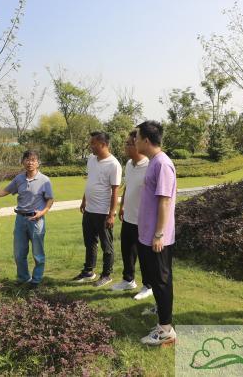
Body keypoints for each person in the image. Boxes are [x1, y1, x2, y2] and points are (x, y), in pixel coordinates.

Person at [0, 150, 54, 289]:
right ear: (22, 162)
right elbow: (4, 191)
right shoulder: (19, 179)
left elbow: (50, 199)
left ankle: (36, 280)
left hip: (36, 220)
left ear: (38, 163)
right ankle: (23, 278)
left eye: (33, 160)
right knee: (19, 253)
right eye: (27, 159)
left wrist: (42, 212)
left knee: (38, 253)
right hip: (20, 219)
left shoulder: (44, 180)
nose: (30, 163)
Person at [134, 121, 177, 346]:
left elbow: (165, 201)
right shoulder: (153, 162)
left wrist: (159, 234)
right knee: (156, 279)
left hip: (158, 237)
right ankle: (162, 319)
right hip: (148, 234)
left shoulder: (162, 164)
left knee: (162, 281)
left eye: (137, 137)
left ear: (146, 140)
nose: (134, 141)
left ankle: (166, 330)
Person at [73, 131, 122, 287]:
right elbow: (90, 181)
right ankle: (89, 271)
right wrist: (84, 200)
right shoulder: (91, 159)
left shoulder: (114, 164)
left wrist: (111, 214)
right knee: (89, 243)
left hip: (103, 212)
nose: (90, 146)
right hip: (89, 210)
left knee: (106, 246)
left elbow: (115, 191)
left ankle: (106, 275)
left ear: (103, 144)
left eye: (93, 144)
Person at [111, 130, 153, 301]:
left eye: (129, 143)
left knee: (144, 255)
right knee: (127, 251)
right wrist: (122, 206)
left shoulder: (150, 165)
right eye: (126, 143)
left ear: (138, 145)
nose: (125, 147)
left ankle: (148, 285)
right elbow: (128, 186)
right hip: (128, 217)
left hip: (143, 220)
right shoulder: (129, 164)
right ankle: (128, 280)